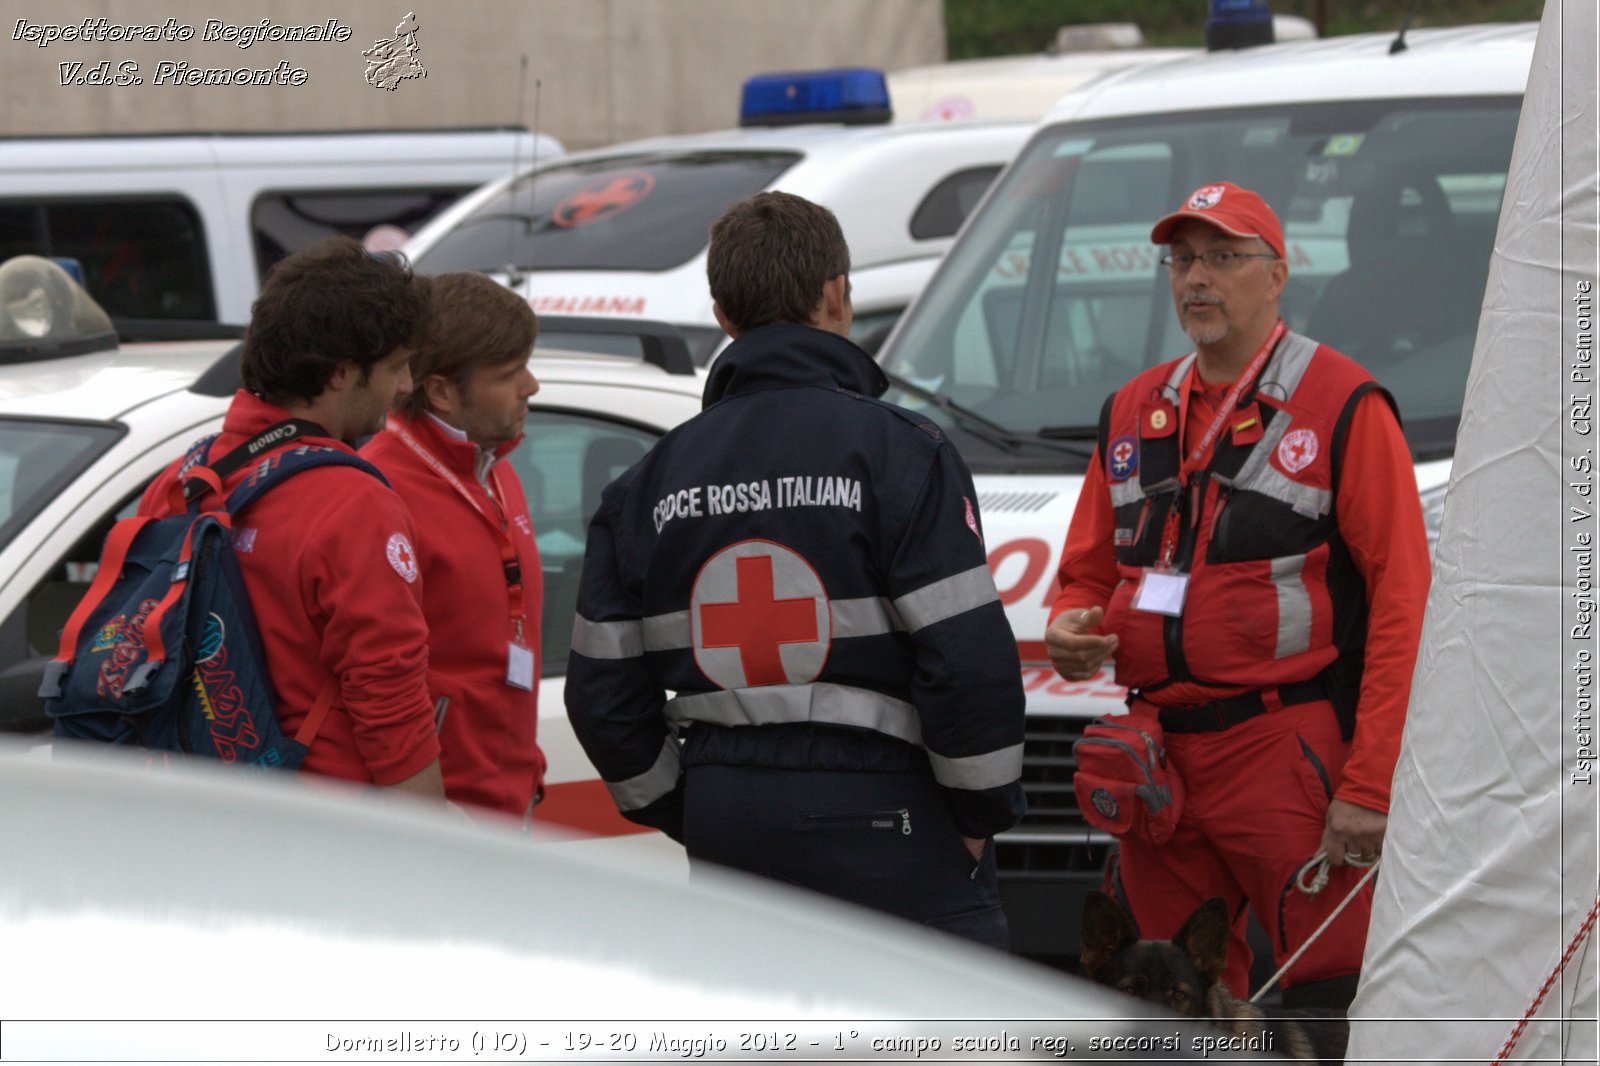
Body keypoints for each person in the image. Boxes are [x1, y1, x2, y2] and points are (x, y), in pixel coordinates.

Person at [565, 191, 1027, 948]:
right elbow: (968, 663)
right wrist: (978, 818)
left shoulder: (645, 485)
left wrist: (687, 808)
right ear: (837, 297)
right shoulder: (904, 455)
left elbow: (601, 694)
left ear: (722, 315)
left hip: (730, 828)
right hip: (896, 826)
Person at [1046, 181, 1431, 1008]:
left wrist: (1369, 784)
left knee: (1333, 998)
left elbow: (1406, 601)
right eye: (1182, 260)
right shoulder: (1131, 409)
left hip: (1283, 749)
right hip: (1157, 760)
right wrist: (1068, 625)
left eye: (1223, 257)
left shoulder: (1343, 402)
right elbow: (1086, 571)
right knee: (1170, 1008)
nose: (1196, 279)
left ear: (1277, 273)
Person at [140, 236, 444, 796]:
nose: (404, 388)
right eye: (397, 367)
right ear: (340, 373)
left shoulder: (184, 477)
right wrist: (433, 840)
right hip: (326, 831)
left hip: (199, 813)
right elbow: (390, 703)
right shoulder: (353, 503)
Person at [362, 273, 546, 819]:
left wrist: (527, 769)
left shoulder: (494, 466)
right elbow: (379, 684)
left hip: (507, 798)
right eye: (510, 374)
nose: (531, 386)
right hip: (442, 823)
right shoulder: (379, 490)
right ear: (440, 390)